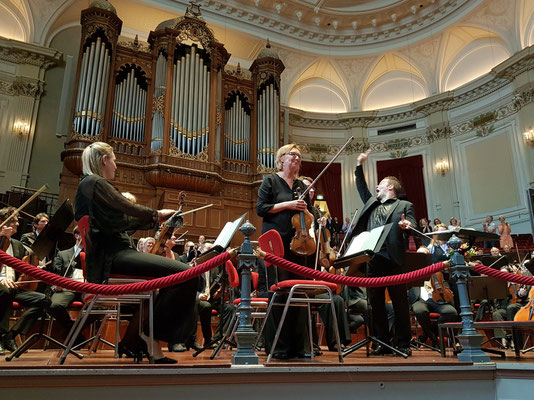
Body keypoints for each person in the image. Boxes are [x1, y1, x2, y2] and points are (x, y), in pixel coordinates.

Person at [74, 142, 198, 364]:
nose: (116, 166)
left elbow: (120, 223)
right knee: (186, 274)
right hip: (113, 257)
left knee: (175, 279)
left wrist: (158, 220)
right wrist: (157, 214)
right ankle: (151, 336)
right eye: (114, 160)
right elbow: (126, 207)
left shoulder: (88, 185)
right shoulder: (94, 182)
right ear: (104, 160)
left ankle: (139, 340)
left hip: (111, 255)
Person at [349, 149, 416, 356]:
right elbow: (362, 186)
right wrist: (359, 165)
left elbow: (411, 222)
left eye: (381, 184)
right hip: (373, 259)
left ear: (390, 187)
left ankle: (403, 343)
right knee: (375, 304)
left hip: (394, 259)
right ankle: (380, 342)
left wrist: (407, 224)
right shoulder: (372, 203)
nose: (376, 186)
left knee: (400, 303)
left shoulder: (405, 205)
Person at [256, 143, 313, 359]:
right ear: (282, 158)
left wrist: (307, 210)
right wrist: (288, 205)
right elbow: (261, 208)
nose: (297, 159)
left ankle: (299, 347)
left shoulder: (301, 186)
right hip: (275, 243)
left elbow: (309, 215)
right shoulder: (270, 181)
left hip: (299, 245)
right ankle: (278, 348)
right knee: (278, 293)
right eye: (293, 155)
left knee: (297, 293)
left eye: (300, 156)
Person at [0, 207, 49, 355]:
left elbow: (28, 260)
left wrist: (35, 270)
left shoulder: (17, 245)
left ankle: (11, 336)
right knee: (5, 291)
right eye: (13, 221)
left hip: (14, 287)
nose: (16, 224)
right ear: (2, 222)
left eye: (16, 221)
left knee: (44, 300)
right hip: (2, 287)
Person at [48, 227, 85, 340]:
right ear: (77, 236)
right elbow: (54, 275)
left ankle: (74, 332)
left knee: (100, 307)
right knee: (54, 305)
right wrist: (55, 286)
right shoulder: (63, 254)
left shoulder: (93, 255)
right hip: (67, 289)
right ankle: (74, 331)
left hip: (87, 288)